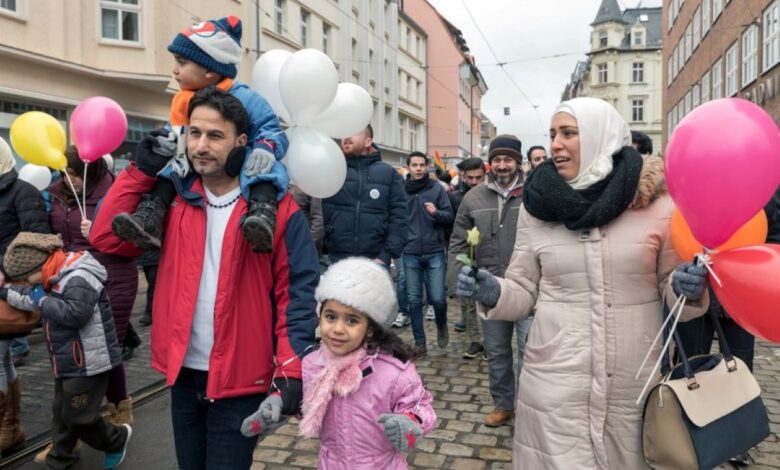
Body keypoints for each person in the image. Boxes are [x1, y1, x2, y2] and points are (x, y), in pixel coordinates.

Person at [457, 97, 710, 468]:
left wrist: (686, 289)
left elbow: (668, 287)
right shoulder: (537, 208)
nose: (556, 143)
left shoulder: (658, 205)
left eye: (568, 133)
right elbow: (524, 289)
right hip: (556, 374)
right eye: (552, 134)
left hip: (633, 375)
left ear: (600, 136)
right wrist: (493, 291)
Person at [89, 87, 319, 469]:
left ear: (241, 142)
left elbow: (295, 295)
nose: (201, 145)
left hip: (243, 379)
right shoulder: (175, 198)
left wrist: (291, 370)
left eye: (215, 136)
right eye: (194, 133)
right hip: (183, 375)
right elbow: (104, 237)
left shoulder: (277, 209)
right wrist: (140, 171)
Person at [111, 16, 289, 254]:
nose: (175, 69)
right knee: (169, 170)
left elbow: (271, 127)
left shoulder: (246, 98)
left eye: (182, 62)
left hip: (239, 167)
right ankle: (150, 217)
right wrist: (164, 143)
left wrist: (265, 147)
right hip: (196, 166)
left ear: (209, 69)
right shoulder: (183, 101)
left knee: (265, 169)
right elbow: (174, 130)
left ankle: (262, 214)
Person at [241, 257, 436, 468]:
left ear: (369, 328)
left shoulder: (394, 372)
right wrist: (280, 402)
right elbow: (307, 404)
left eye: (352, 320)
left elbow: (420, 405)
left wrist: (409, 422)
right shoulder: (313, 363)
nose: (338, 329)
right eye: (331, 317)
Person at [0, 232, 131, 469]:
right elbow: (28, 298)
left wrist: (41, 301)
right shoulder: (50, 276)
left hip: (89, 362)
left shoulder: (78, 276)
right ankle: (60, 459)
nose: (30, 285)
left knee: (78, 417)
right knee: (61, 412)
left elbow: (75, 315)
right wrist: (4, 291)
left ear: (39, 266)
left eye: (28, 279)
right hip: (67, 361)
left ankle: (116, 439)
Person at [676, 185, 780, 467]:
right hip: (695, 296)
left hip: (743, 300)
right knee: (693, 365)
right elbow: (674, 241)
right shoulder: (688, 197)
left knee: (740, 367)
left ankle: (738, 437)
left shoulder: (763, 199)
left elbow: (773, 242)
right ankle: (687, 434)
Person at [47, 147, 137, 429]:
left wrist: (100, 232)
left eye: (73, 173)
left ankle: (119, 413)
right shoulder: (58, 194)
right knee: (70, 351)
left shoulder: (118, 192)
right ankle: (70, 429)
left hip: (112, 279)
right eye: (64, 173)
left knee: (107, 351)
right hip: (72, 282)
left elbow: (137, 244)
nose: (68, 179)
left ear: (92, 169)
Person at [449, 135, 532, 429]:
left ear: (517, 162)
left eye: (508, 159)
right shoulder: (473, 197)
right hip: (489, 287)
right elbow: (458, 242)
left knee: (529, 350)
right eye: (497, 159)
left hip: (528, 287)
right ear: (490, 163)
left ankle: (527, 406)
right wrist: (455, 283)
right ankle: (503, 404)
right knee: (496, 351)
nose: (502, 164)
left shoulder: (534, 192)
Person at [0, 136, 50, 454]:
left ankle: (8, 427)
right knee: (2, 360)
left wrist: (4, 269)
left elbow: (35, 241)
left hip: (8, 290)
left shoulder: (22, 192)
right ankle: (11, 426)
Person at [321, 125, 407, 266]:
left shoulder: (388, 173)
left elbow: (399, 218)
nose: (346, 137)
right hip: (336, 260)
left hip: (375, 261)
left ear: (368, 142)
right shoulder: (332, 170)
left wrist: (385, 255)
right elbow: (315, 212)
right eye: (344, 133)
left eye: (353, 132)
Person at [403, 152, 454, 356]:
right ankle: (420, 342)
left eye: (421, 165)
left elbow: (449, 216)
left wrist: (436, 213)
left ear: (427, 167)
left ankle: (441, 324)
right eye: (414, 165)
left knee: (438, 298)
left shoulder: (436, 190)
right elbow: (393, 217)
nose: (418, 168)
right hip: (410, 251)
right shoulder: (400, 191)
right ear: (408, 167)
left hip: (434, 250)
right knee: (414, 300)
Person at [446, 157, 486, 335]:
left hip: (486, 252)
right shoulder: (455, 197)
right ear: (463, 176)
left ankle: (488, 341)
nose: (474, 182)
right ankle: (474, 340)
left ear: (485, 175)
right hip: (465, 251)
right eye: (470, 178)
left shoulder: (490, 194)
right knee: (467, 300)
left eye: (478, 177)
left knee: (486, 299)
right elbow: (452, 226)